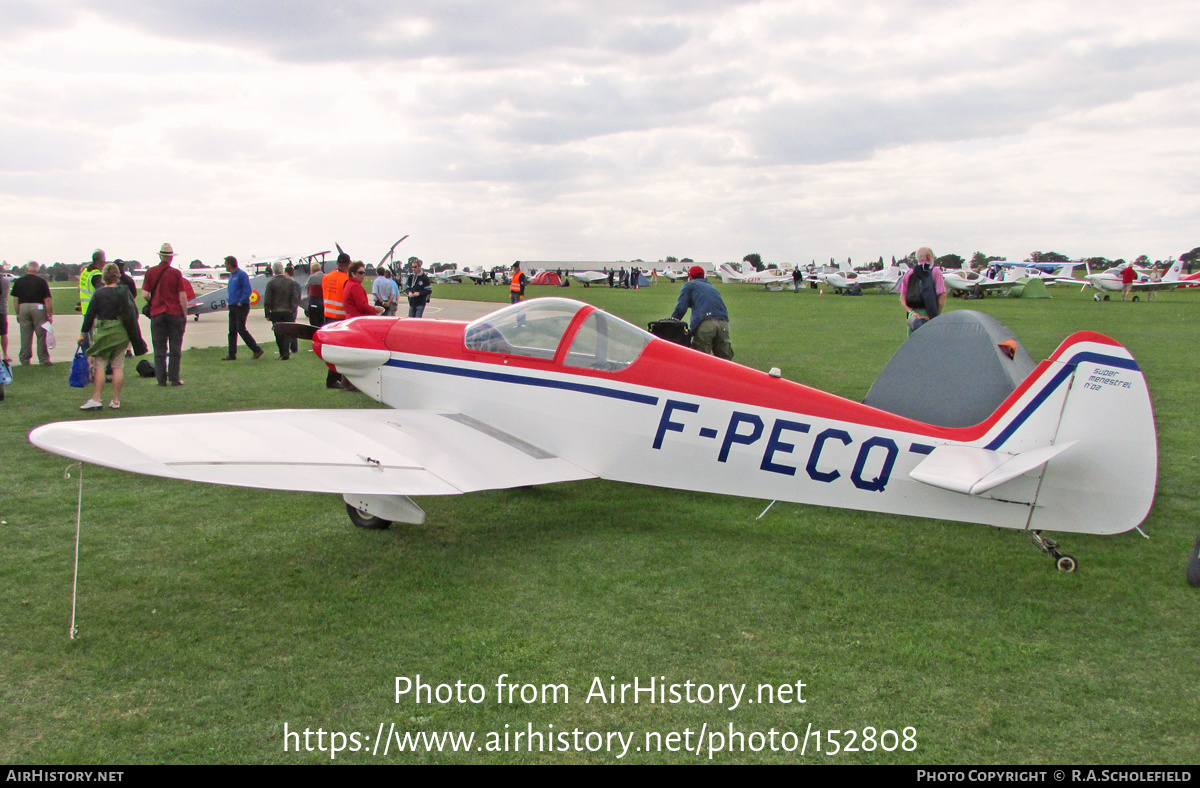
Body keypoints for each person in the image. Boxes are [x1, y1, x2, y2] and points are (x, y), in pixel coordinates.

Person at [79, 263, 147, 410]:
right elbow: (134, 312)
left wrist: (82, 333)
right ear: (117, 276)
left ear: (104, 277)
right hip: (122, 332)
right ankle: (115, 400)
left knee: (100, 366)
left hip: (105, 331)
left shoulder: (99, 293)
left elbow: (90, 315)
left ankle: (96, 398)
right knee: (117, 366)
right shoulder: (124, 291)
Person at [142, 242, 189, 386]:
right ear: (171, 258)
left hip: (157, 313)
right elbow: (182, 296)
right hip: (174, 313)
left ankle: (161, 379)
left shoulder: (150, 272)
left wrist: (153, 301)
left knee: (159, 349)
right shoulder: (176, 273)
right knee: (175, 348)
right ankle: (174, 378)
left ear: (161, 256)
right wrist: (185, 313)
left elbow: (145, 294)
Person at [671, 265, 733, 359]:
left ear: (690, 276)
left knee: (700, 359)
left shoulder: (689, 285)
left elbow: (681, 308)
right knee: (725, 360)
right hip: (723, 322)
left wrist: (672, 322)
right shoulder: (711, 286)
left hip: (706, 322)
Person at [11, 261, 53, 366]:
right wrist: (49, 314)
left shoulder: (19, 281)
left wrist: (18, 313)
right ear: (37, 270)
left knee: (25, 335)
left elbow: (15, 300)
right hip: (38, 307)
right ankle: (43, 359)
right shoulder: (42, 282)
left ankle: (24, 359)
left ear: (27, 269)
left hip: (23, 307)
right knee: (41, 335)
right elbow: (48, 300)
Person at [221, 256, 264, 361]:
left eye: (226, 263)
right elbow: (232, 291)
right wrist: (229, 302)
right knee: (232, 330)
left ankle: (257, 349)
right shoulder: (231, 276)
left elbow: (248, 290)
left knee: (241, 329)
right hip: (232, 305)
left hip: (241, 306)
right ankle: (232, 354)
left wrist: (241, 301)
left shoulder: (241, 275)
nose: (225, 266)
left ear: (230, 264)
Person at [898, 247, 946, 334]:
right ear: (929, 256)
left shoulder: (909, 273)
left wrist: (911, 312)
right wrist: (935, 315)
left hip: (913, 317)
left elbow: (902, 298)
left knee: (913, 344)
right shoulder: (935, 272)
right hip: (929, 313)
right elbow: (942, 296)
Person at [321, 254, 352, 388]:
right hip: (341, 317)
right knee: (340, 351)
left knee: (331, 349)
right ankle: (334, 379)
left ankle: (334, 378)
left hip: (328, 315)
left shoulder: (326, 277)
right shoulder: (347, 279)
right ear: (348, 264)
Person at [263, 261, 301, 359]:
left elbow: (267, 299)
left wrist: (267, 312)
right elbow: (295, 297)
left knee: (278, 333)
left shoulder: (271, 283)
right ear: (282, 270)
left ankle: (282, 352)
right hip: (288, 311)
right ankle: (286, 352)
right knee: (287, 332)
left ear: (274, 271)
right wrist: (293, 308)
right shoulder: (290, 282)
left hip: (276, 311)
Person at [306, 261, 325, 326]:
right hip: (323, 301)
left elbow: (307, 286)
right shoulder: (326, 276)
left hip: (314, 302)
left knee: (314, 323)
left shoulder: (311, 277)